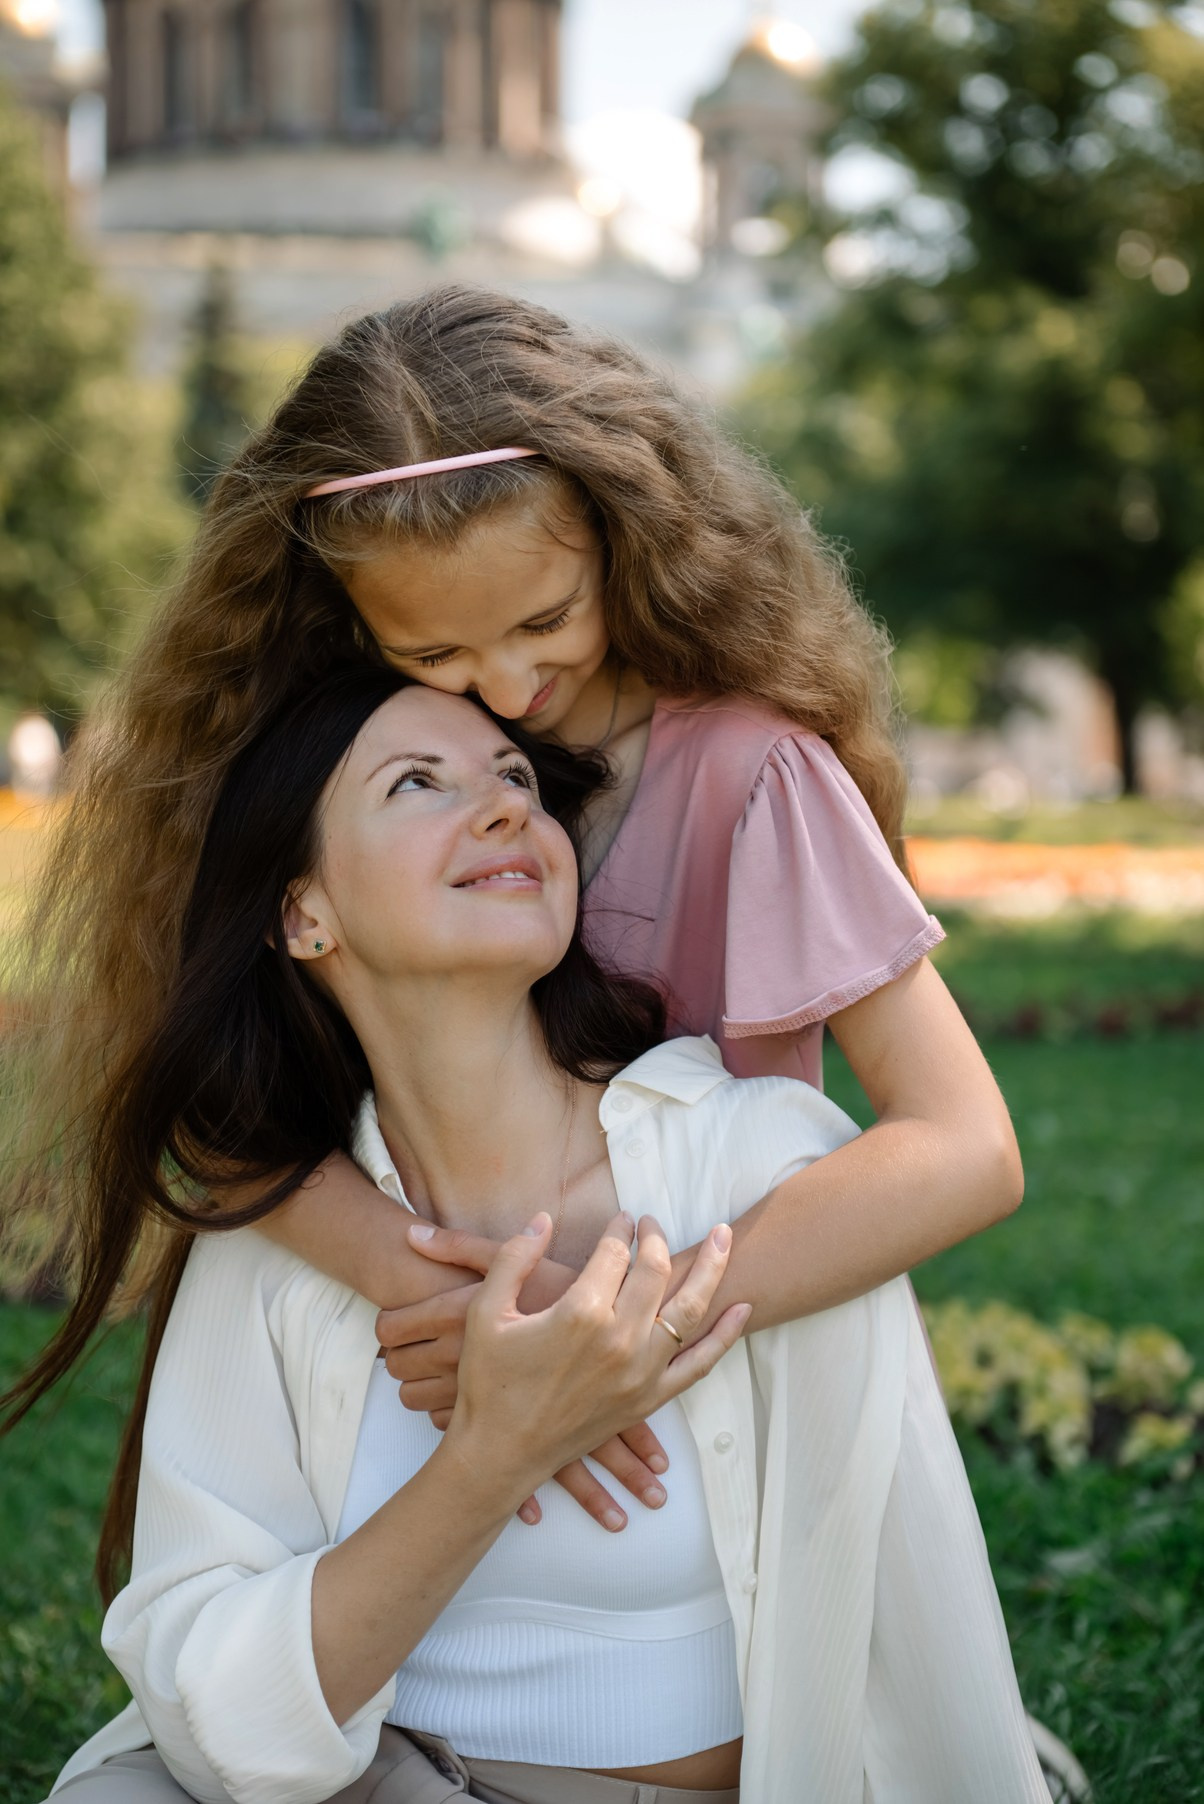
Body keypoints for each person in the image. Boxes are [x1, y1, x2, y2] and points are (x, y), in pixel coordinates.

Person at [3, 284, 1032, 1543]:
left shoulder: (748, 779)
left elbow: (965, 1146)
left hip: (687, 1402)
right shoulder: (350, 770)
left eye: (545, 621)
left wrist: (607, 1336)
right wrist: (413, 1273)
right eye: (434, 654)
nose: (504, 687)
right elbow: (219, 1101)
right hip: (417, 1373)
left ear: (623, 534)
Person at [38, 667, 1050, 1802]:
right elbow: (215, 1718)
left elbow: (920, 1622)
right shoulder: (284, 1238)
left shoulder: (757, 1170)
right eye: (417, 782)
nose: (507, 805)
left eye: (516, 776)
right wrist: (495, 1453)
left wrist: (615, 1336)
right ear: (302, 911)